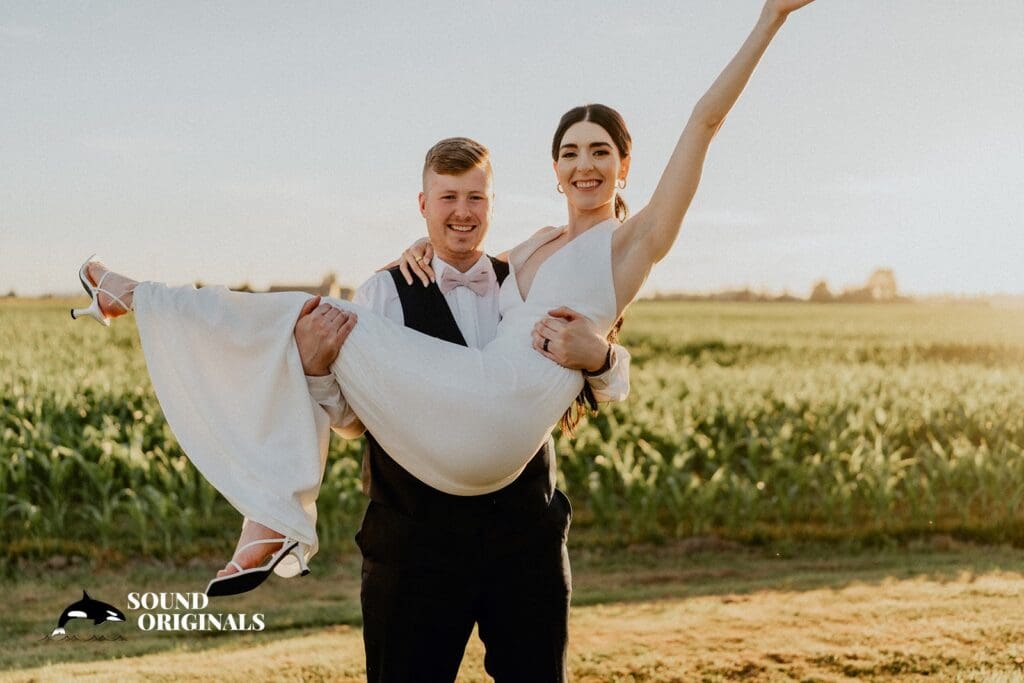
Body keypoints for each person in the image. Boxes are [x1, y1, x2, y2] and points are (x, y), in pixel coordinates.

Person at [73, 0, 815, 617]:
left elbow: (704, 122)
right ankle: (271, 514)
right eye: (570, 152)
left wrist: (770, 18)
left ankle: (141, 306)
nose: (585, 165)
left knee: (306, 310)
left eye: (600, 151)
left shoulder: (633, 243)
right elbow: (463, 261)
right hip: (458, 428)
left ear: (625, 165)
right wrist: (421, 247)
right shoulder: (531, 246)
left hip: (498, 425)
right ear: (554, 170)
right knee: (311, 327)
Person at [284, 137, 630, 681]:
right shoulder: (383, 295)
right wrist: (317, 370)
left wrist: (604, 357)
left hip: (525, 540)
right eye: (448, 197)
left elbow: (602, 384)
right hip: (413, 545)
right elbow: (352, 424)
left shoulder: (527, 283)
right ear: (423, 205)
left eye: (476, 197)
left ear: (492, 204)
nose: (463, 212)